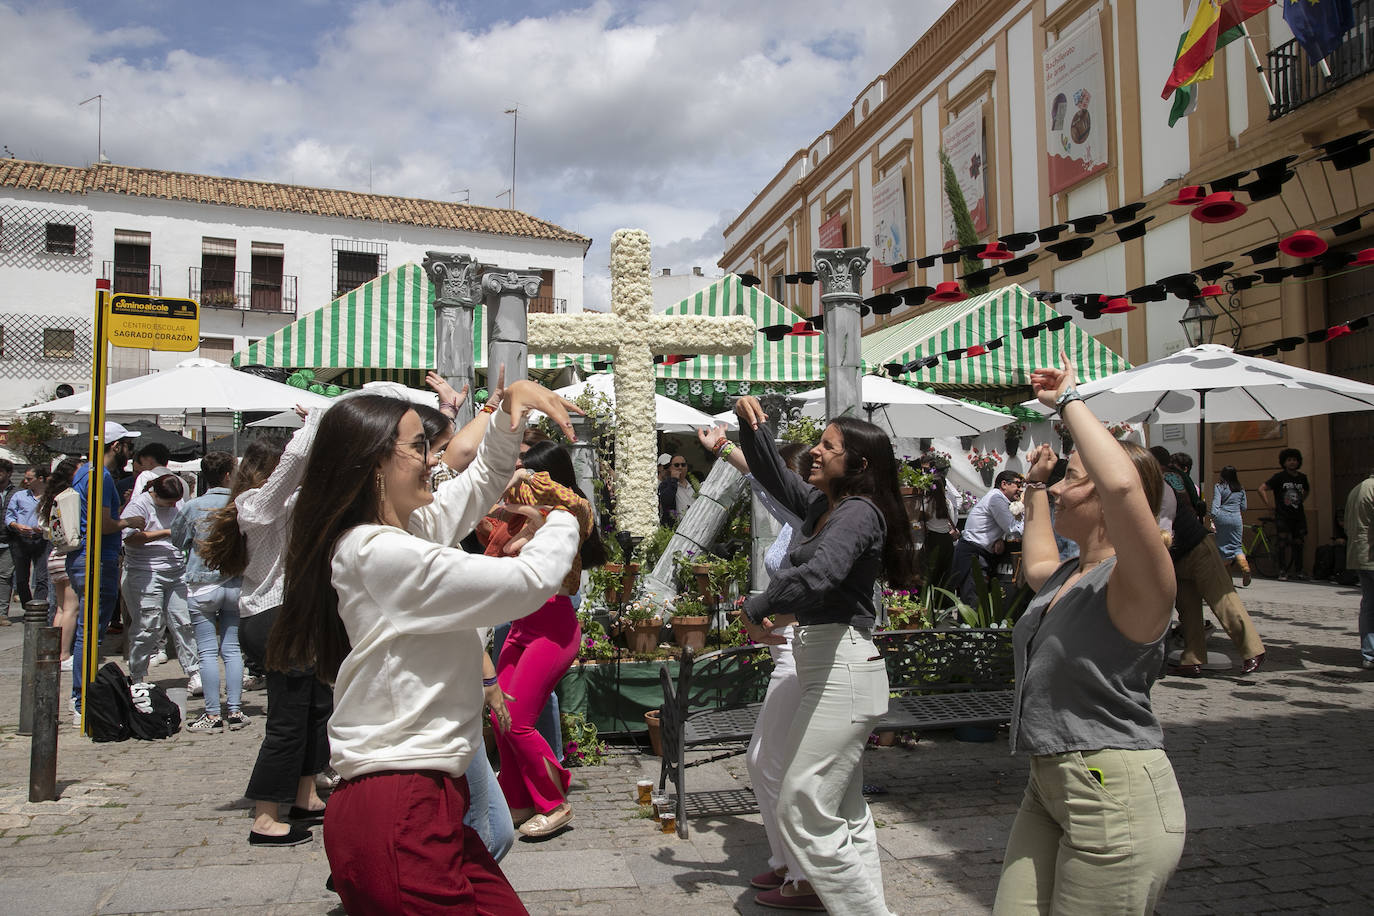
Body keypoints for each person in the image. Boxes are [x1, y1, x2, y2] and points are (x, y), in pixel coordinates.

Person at [269, 382, 583, 914]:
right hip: (398, 804)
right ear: (375, 463)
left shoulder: (404, 531)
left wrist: (508, 411)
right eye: (420, 447)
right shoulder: (376, 551)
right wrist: (566, 517)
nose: (434, 460)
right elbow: (526, 582)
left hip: (424, 798)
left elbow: (480, 481)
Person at [993, 353, 1185, 915]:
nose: (1058, 491)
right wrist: (1035, 482)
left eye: (1071, 480)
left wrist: (1069, 402)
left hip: (1113, 791)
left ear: (1102, 495)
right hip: (1050, 781)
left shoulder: (1140, 582)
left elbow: (1124, 487)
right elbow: (1036, 563)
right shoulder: (1068, 576)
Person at [734, 395, 916, 916]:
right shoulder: (825, 505)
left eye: (827, 446)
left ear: (858, 464)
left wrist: (758, 605)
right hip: (828, 664)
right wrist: (752, 426)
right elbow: (773, 474)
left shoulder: (857, 513)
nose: (815, 451)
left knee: (803, 804)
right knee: (844, 810)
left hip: (843, 668)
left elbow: (820, 575)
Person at [699, 422, 816, 903]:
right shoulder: (797, 519)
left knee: (770, 761)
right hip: (786, 646)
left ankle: (804, 874)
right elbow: (760, 481)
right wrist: (723, 448)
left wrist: (728, 447)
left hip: (801, 649)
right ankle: (787, 862)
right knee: (768, 760)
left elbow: (761, 479)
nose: (772, 482)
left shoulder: (812, 516)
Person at [486, 440, 601, 838]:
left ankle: (555, 802)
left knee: (518, 723)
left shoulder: (574, 515)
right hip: (521, 627)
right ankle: (517, 799)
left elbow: (562, 501)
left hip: (553, 629)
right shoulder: (525, 520)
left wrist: (525, 483)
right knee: (499, 717)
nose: (521, 478)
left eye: (530, 471)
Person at [1151, 447, 1266, 677]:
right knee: (1188, 609)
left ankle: (1253, 650)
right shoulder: (1169, 479)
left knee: (1222, 599)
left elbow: (1163, 526)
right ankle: (1192, 660)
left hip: (1196, 546)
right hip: (1179, 554)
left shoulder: (1163, 483)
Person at [70, 422, 145, 723]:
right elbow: (102, 524)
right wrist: (129, 521)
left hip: (85, 557)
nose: (130, 452)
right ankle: (82, 699)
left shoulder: (83, 472)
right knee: (90, 632)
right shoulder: (99, 476)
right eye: (128, 445)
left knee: (87, 630)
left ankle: (82, 696)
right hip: (97, 558)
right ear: (116, 446)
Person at [171, 450, 247, 731]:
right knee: (232, 649)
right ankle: (236, 710)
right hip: (234, 582)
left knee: (206, 651)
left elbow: (178, 539)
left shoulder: (193, 506)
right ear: (228, 475)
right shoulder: (240, 504)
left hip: (202, 584)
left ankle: (213, 714)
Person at [121, 472, 198, 691]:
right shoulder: (139, 505)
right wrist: (165, 532)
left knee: (184, 622)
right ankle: (137, 676)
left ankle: (194, 671)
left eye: (175, 501)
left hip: (175, 570)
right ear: (156, 494)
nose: (173, 505)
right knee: (148, 625)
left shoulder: (177, 504)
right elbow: (129, 538)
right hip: (145, 572)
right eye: (169, 502)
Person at [951, 470, 1024, 607]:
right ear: (1004, 484)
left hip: (978, 552)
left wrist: (999, 538)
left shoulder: (999, 499)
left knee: (978, 599)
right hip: (973, 554)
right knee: (973, 601)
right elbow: (1014, 529)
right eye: (1017, 485)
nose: (1020, 489)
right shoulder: (996, 499)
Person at [38, 458, 81, 662]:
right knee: (71, 609)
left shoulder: (50, 499)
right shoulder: (71, 496)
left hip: (54, 554)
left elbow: (43, 528)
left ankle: (55, 652)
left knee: (61, 608)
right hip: (67, 555)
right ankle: (63, 654)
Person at [1260, 448, 1311, 580]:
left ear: (1298, 462)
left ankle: (1299, 570)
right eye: (1289, 460)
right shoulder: (1279, 477)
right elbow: (1262, 489)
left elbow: (1306, 491)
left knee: (1299, 542)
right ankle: (1282, 570)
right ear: (1284, 462)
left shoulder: (1302, 478)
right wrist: (1269, 505)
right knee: (1282, 543)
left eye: (1294, 460)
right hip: (1283, 515)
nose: (1292, 462)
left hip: (1298, 516)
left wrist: (1301, 500)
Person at [1342, 471, 1374, 670]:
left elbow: (1346, 525)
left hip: (1359, 555)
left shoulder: (1357, 489)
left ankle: (1369, 654)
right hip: (1371, 553)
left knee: (1369, 605)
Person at [6, 467, 50, 609]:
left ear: (40, 479)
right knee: (21, 577)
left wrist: (44, 528)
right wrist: (16, 526)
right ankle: (27, 607)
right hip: (21, 539)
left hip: (43, 539)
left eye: (29, 479)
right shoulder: (19, 496)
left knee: (42, 577)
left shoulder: (51, 497)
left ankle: (38, 607)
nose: (25, 481)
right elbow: (9, 517)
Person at [915, 462, 960, 591]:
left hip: (932, 540)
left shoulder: (926, 503)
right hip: (946, 541)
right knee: (944, 575)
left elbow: (919, 521)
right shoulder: (947, 503)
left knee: (929, 575)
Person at [1213, 465, 1250, 586]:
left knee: (1222, 548)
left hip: (1222, 517)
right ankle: (1245, 568)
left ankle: (1227, 581)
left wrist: (1214, 517)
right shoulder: (1240, 488)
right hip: (1236, 518)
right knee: (1237, 546)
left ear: (1222, 475)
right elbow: (1244, 507)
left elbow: (1215, 505)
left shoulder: (1219, 486)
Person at [658, 454, 696, 525]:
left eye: (683, 465)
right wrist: (674, 480)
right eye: (676, 465)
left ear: (686, 467)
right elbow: (666, 502)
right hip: (676, 528)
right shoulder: (665, 484)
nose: (680, 467)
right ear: (670, 468)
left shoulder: (693, 484)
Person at [0, 457, 14, 623]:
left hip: (9, 540)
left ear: (9, 473)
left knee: (4, 577)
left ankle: (2, 613)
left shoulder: (17, 493)